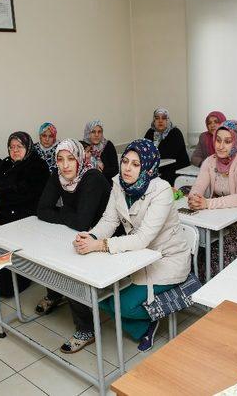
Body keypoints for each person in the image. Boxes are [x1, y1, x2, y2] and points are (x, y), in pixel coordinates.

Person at [73, 139, 190, 352]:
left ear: (148, 166)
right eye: (125, 161)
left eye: (135, 164)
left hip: (166, 258)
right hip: (136, 257)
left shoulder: (161, 190)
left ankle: (152, 318)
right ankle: (145, 324)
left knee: (123, 305)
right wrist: (90, 237)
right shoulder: (118, 183)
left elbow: (143, 238)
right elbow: (110, 220)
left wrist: (100, 245)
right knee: (98, 295)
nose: (127, 168)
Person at [35, 139, 111, 353]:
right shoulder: (57, 176)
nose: (65, 165)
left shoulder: (92, 177)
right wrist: (69, 216)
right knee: (49, 250)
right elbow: (42, 209)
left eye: (70, 159)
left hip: (103, 238)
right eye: (60, 159)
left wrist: (61, 214)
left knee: (69, 268)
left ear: (80, 159)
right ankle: (56, 294)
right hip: (77, 232)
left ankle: (86, 329)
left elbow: (83, 222)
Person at [188, 120, 237, 280]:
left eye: (228, 141)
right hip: (219, 217)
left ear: (236, 142)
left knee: (218, 252)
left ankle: (219, 290)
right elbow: (198, 186)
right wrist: (194, 197)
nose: (221, 146)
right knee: (196, 248)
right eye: (218, 140)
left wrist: (207, 203)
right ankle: (198, 287)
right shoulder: (210, 161)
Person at [0, 131, 49, 296]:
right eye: (11, 147)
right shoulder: (5, 163)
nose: (15, 150)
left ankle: (16, 281)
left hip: (25, 216)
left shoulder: (37, 165)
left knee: (7, 285)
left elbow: (24, 192)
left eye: (19, 146)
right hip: (1, 213)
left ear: (28, 147)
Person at [143, 107, 189, 185]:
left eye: (163, 118)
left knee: (162, 179)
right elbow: (144, 150)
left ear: (167, 120)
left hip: (176, 167)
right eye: (157, 118)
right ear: (154, 121)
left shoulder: (175, 132)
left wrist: (152, 154)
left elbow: (169, 154)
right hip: (157, 166)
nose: (160, 121)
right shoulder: (150, 132)